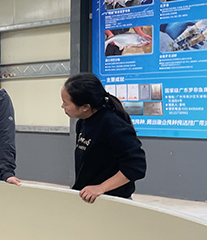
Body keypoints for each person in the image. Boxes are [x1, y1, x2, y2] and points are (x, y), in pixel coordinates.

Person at [61, 72, 146, 202]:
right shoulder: (82, 122)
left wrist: (101, 188)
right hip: (89, 197)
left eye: (66, 103)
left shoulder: (113, 125)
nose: (62, 106)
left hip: (113, 200)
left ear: (85, 107)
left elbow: (136, 166)